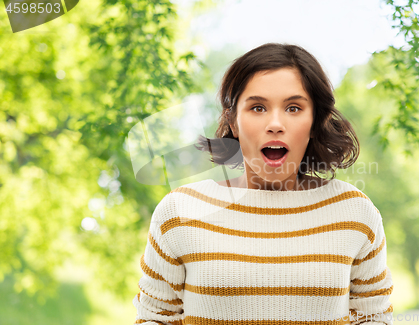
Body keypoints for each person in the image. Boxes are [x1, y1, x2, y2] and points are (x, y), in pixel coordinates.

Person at [132, 43, 394, 325]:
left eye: (294, 108)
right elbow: (155, 318)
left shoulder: (355, 213)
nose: (275, 123)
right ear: (232, 120)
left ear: (315, 121)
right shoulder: (179, 211)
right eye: (258, 107)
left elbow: (375, 318)